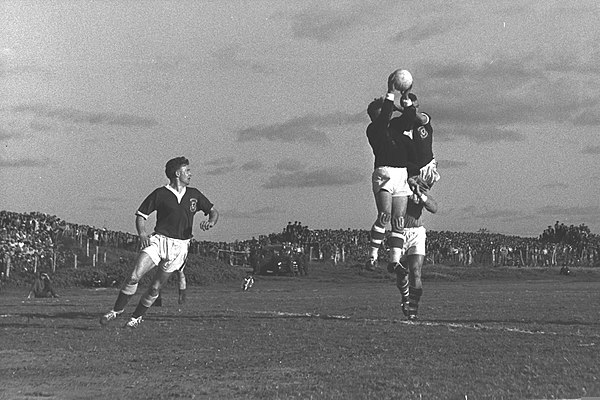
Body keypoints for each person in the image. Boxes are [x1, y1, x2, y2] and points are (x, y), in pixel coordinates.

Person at [100, 156, 219, 328]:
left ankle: (136, 318)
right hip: (158, 241)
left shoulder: (194, 194)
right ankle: (116, 311)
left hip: (180, 247)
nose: (190, 174)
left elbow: (213, 212)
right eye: (187, 171)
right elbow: (141, 216)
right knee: (134, 276)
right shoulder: (160, 193)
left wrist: (211, 221)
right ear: (177, 173)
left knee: (155, 288)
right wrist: (142, 233)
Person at [364, 71, 428, 274]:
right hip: (384, 173)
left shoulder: (398, 130)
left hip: (401, 175)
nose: (390, 113)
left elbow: (410, 119)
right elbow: (383, 118)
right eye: (385, 111)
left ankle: (394, 260)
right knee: (384, 215)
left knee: (398, 220)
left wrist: (406, 97)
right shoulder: (374, 129)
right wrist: (390, 93)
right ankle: (373, 256)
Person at [396, 180, 438, 320]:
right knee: (402, 272)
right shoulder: (398, 187)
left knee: (416, 271)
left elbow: (434, 208)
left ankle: (413, 309)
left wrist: (421, 196)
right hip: (400, 232)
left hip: (416, 233)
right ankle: (405, 296)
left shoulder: (419, 189)